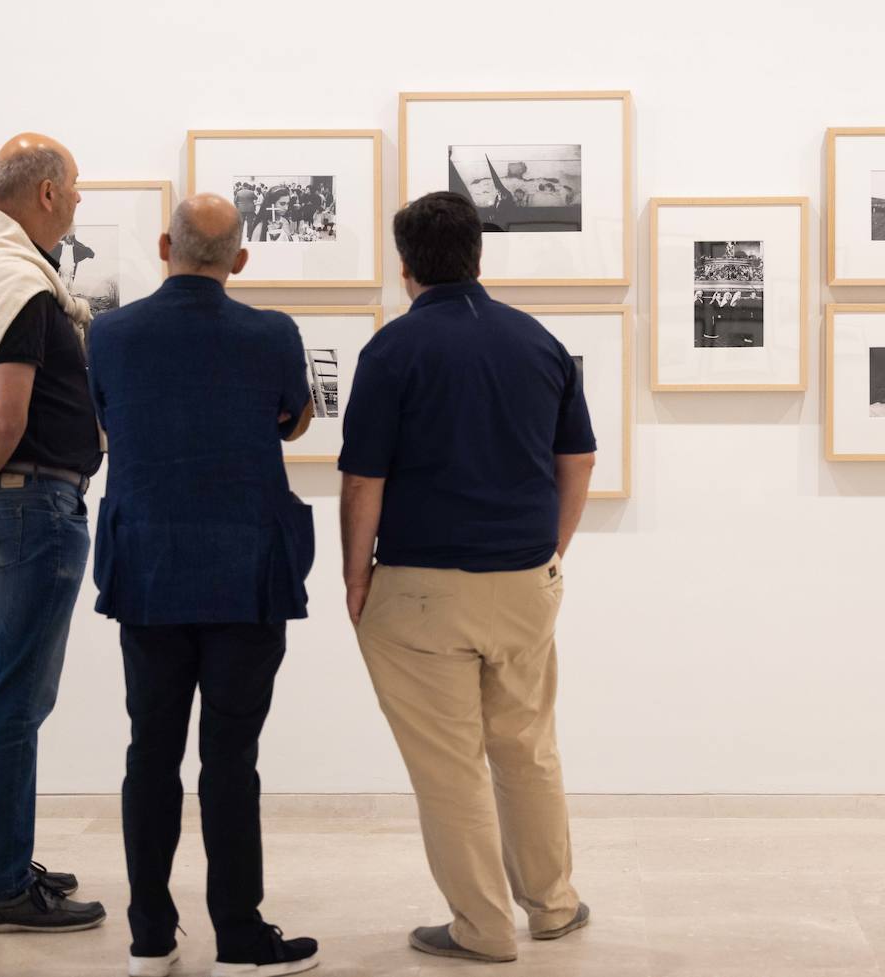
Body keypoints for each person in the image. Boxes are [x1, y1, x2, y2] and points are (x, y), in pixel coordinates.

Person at [339, 191, 596, 964]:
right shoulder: (537, 341)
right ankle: (551, 906)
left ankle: (481, 928)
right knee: (526, 746)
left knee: (449, 765)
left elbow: (362, 482)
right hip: (524, 579)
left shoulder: (394, 350)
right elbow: (577, 458)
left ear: (405, 263)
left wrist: (356, 579)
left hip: (421, 587)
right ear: (479, 257)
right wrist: (552, 547)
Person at [87, 194, 319, 977]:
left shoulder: (110, 333)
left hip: (149, 569)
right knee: (231, 756)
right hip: (244, 571)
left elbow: (107, 421)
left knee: (150, 750)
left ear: (163, 246)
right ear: (240, 261)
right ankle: (239, 934)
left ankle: (150, 935)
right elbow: (294, 418)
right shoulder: (272, 332)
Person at [0, 133, 107, 932]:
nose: (77, 201)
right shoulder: (24, 288)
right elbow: (8, 415)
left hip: (4, 507)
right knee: (15, 700)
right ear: (44, 194)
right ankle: (1, 885)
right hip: (31, 504)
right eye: (73, 188)